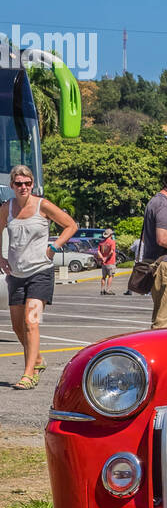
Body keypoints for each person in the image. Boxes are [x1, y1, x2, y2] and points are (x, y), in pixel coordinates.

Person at [0, 164, 78, 389]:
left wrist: (54, 247)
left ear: (32, 184)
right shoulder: (7, 208)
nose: (23, 187)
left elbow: (71, 225)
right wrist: (0, 258)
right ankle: (38, 359)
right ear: (12, 185)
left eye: (27, 183)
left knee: (30, 322)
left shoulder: (43, 206)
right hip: (16, 274)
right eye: (18, 184)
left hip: (40, 272)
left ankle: (29, 373)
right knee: (17, 326)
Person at [141, 169, 167, 330]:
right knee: (164, 318)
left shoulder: (155, 202)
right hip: (163, 265)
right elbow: (163, 238)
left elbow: (146, 237)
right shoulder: (163, 205)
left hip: (155, 263)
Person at [97, 229, 117, 295]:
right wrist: (106, 258)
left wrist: (102, 258)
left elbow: (98, 251)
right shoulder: (112, 242)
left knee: (103, 277)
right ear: (110, 235)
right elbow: (111, 251)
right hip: (110, 261)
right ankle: (108, 290)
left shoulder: (101, 243)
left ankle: (102, 290)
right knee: (110, 276)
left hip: (103, 263)